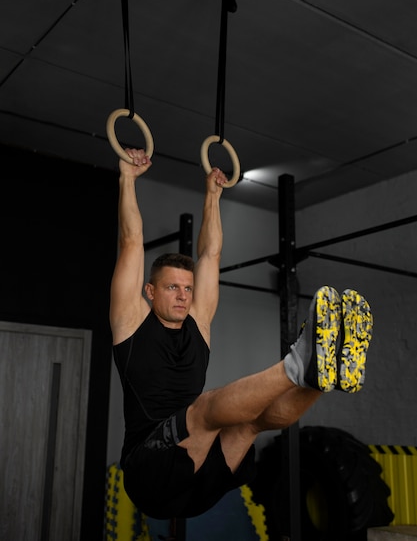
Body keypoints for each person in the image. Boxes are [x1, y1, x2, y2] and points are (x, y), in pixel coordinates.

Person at [110, 148, 373, 520]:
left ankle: (322, 377)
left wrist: (213, 196)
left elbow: (210, 255)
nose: (184, 295)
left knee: (250, 424)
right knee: (203, 411)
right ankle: (298, 364)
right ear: (150, 292)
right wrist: (127, 179)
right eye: (172, 288)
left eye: (188, 288)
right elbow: (130, 241)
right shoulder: (130, 322)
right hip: (148, 472)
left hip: (199, 485)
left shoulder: (198, 321)